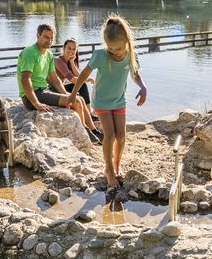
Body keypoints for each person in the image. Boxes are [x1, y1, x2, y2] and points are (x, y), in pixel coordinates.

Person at [67, 15, 148, 190]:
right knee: (109, 135)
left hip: (119, 100)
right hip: (102, 100)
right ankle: (109, 170)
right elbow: (84, 74)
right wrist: (73, 94)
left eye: (117, 48)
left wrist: (143, 87)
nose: (114, 51)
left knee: (121, 135)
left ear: (127, 41)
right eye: (110, 48)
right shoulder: (100, 55)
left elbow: (135, 74)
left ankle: (117, 165)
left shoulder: (131, 55)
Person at [17, 23, 102, 142]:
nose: (49, 40)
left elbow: (55, 79)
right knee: (76, 101)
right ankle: (85, 132)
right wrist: (36, 103)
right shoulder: (30, 53)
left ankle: (93, 130)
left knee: (79, 98)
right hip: (31, 96)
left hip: (43, 90)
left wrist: (66, 94)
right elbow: (25, 80)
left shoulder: (48, 54)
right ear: (38, 36)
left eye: (51, 38)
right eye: (46, 37)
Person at [55, 38, 91, 104]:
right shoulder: (58, 60)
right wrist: (87, 79)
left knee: (82, 85)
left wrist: (72, 63)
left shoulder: (71, 60)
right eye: (69, 48)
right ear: (64, 48)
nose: (71, 51)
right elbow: (73, 80)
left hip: (63, 87)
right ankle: (88, 109)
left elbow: (78, 76)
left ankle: (89, 110)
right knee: (82, 84)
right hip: (56, 89)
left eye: (74, 49)